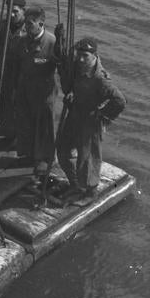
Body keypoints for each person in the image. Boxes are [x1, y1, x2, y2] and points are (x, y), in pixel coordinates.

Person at [56, 36, 126, 206]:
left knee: (87, 159)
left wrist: (103, 115)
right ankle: (76, 184)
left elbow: (120, 101)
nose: (80, 59)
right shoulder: (77, 67)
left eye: (85, 56)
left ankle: (90, 192)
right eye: (79, 55)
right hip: (74, 116)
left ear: (94, 56)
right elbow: (65, 67)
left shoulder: (100, 79)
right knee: (63, 150)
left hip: (89, 122)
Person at [13, 7, 58, 176]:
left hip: (44, 90)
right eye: (25, 23)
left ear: (41, 23)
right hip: (25, 86)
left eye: (30, 24)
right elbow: (17, 63)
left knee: (44, 124)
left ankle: (44, 158)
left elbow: (61, 65)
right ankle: (28, 153)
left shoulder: (52, 42)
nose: (26, 27)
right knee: (25, 120)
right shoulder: (23, 41)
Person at [0, 0, 27, 140]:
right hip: (5, 72)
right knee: (3, 104)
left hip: (21, 75)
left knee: (18, 107)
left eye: (16, 11)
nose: (12, 14)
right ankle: (5, 131)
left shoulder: (28, 29)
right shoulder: (3, 25)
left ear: (23, 11)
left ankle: (16, 138)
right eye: (10, 11)